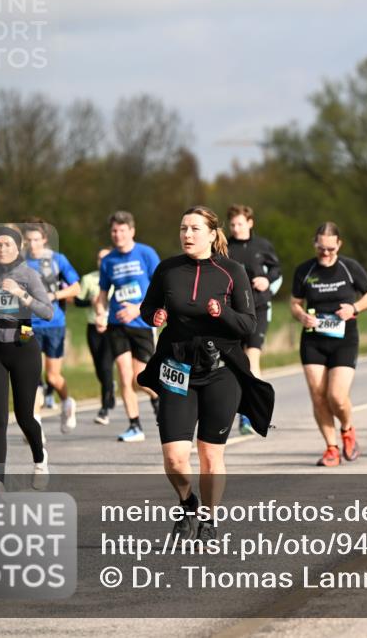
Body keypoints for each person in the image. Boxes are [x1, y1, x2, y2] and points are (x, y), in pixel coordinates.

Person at [136, 207, 268, 541]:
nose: (187, 234)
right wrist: (155, 316)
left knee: (210, 455)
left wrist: (222, 312)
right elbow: (147, 308)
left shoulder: (232, 271)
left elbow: (248, 324)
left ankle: (209, 520)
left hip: (220, 372)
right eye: (183, 228)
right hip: (177, 370)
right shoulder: (167, 269)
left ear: (211, 234)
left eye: (195, 229)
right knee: (174, 458)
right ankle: (187, 503)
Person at [290, 223, 367, 467]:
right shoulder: (305, 270)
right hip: (313, 340)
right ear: (314, 244)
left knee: (337, 396)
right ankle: (331, 448)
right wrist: (301, 316)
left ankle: (347, 429)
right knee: (318, 396)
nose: (326, 253)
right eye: (321, 248)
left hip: (344, 340)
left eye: (331, 248)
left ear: (339, 244)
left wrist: (354, 308)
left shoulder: (349, 268)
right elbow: (295, 303)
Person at [0, 225, 54, 489]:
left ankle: (40, 459)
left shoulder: (29, 274)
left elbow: (48, 312)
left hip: (23, 348)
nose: (2, 249)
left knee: (24, 417)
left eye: (7, 244)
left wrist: (21, 294)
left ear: (18, 247)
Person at [96, 211, 161, 442]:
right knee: (124, 375)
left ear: (132, 231)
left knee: (140, 377)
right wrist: (101, 313)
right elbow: (103, 293)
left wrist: (138, 309)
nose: (118, 235)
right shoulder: (108, 260)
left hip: (142, 323)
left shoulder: (146, 253)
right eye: (114, 231)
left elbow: (161, 289)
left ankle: (159, 399)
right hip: (117, 324)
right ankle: (135, 426)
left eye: (122, 230)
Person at [226, 204, 282, 435]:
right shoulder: (224, 246)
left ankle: (250, 414)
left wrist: (267, 280)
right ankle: (241, 409)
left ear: (250, 223)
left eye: (240, 224)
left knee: (252, 360)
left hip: (258, 307)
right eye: (232, 225)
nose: (236, 228)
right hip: (233, 310)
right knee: (236, 364)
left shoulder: (262, 246)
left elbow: (276, 271)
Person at [23, 218, 81, 433]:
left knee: (52, 377)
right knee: (30, 375)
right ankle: (35, 425)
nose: (32, 244)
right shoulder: (19, 261)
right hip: (28, 325)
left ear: (44, 239)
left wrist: (53, 295)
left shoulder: (58, 260)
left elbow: (76, 288)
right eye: (29, 240)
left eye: (36, 240)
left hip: (54, 324)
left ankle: (67, 403)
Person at [75, 248, 116, 423]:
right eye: (100, 258)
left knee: (106, 367)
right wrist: (90, 301)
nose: (102, 261)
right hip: (93, 327)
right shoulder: (89, 279)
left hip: (112, 327)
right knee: (99, 367)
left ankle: (104, 409)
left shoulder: (118, 277)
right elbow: (77, 300)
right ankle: (109, 387)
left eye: (106, 258)